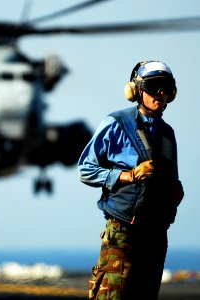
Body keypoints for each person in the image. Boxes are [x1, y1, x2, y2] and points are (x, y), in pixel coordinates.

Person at [77, 60, 184, 299]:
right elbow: (85, 169)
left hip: (156, 235)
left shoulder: (167, 134)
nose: (161, 93)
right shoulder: (117, 124)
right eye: (154, 86)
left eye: (166, 87)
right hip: (124, 230)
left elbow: (171, 178)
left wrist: (174, 191)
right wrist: (128, 176)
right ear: (137, 90)